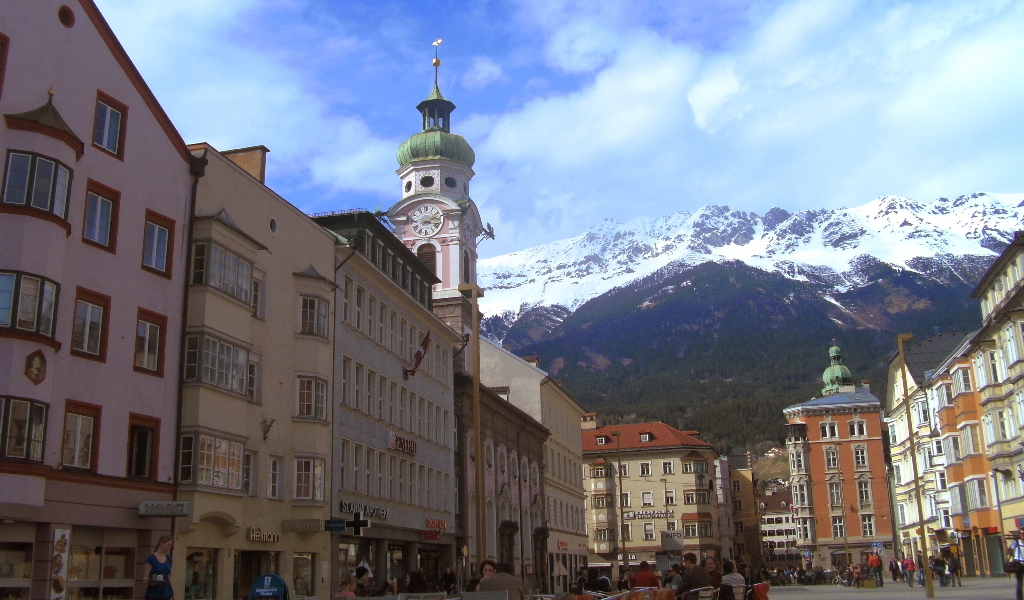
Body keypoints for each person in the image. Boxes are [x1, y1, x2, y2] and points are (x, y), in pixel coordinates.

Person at [142, 536, 174, 600]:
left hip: (166, 593)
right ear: (161, 544)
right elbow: (145, 577)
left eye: (171, 545)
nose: (169, 547)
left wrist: (173, 594)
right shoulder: (151, 559)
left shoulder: (168, 559)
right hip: (153, 594)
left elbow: (169, 577)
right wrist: (151, 582)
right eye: (168, 545)